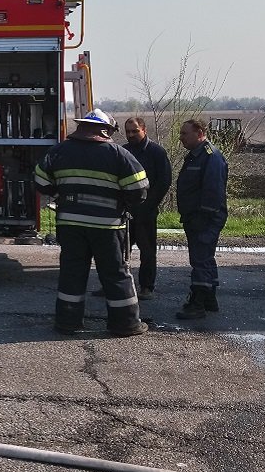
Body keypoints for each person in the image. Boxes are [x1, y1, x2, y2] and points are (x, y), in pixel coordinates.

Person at [35, 109, 149, 337]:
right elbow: (139, 189)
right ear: (105, 130)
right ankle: (125, 324)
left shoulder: (58, 152)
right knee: (115, 274)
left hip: (70, 224)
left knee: (72, 273)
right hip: (107, 227)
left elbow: (40, 180)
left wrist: (61, 193)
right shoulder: (118, 154)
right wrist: (121, 202)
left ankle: (68, 322)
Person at [175, 118, 229, 320]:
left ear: (199, 133)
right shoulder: (195, 156)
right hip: (196, 217)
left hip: (205, 218)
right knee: (205, 258)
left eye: (184, 134)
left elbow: (213, 191)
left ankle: (197, 303)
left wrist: (202, 217)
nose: (181, 138)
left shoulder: (210, 156)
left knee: (200, 260)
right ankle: (209, 300)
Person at [122, 117, 171, 299]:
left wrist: (149, 205)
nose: (131, 135)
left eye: (135, 131)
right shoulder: (123, 152)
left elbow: (164, 181)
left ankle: (146, 287)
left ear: (144, 130)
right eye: (128, 131)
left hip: (146, 212)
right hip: (125, 211)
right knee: (119, 251)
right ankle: (116, 284)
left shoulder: (156, 152)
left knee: (147, 251)